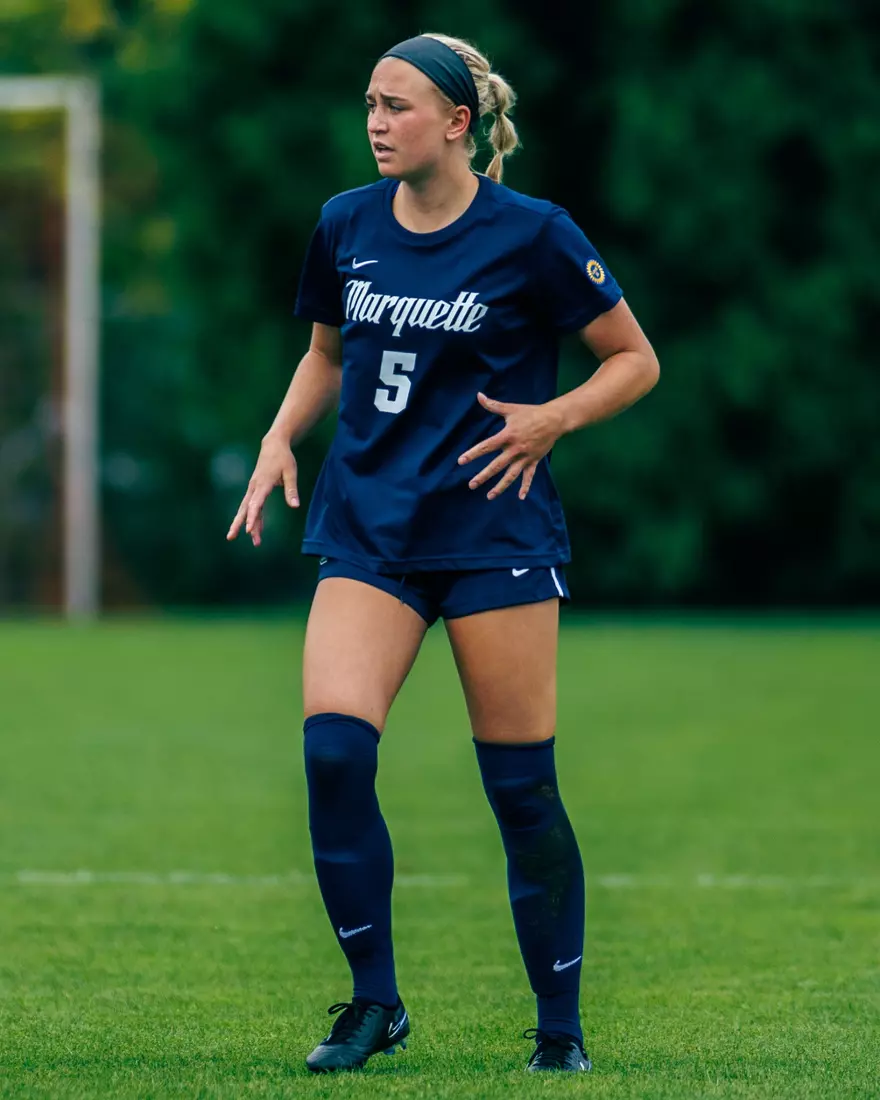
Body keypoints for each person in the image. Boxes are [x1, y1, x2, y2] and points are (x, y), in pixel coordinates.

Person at [227, 32, 659, 1075]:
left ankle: (558, 1028)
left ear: (459, 122)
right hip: (370, 530)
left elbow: (633, 359)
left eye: (399, 106)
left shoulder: (534, 233)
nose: (376, 124)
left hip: (492, 533)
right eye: (369, 104)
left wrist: (554, 417)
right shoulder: (345, 222)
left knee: (521, 788)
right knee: (334, 753)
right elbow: (326, 353)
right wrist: (279, 436)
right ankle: (374, 1004)